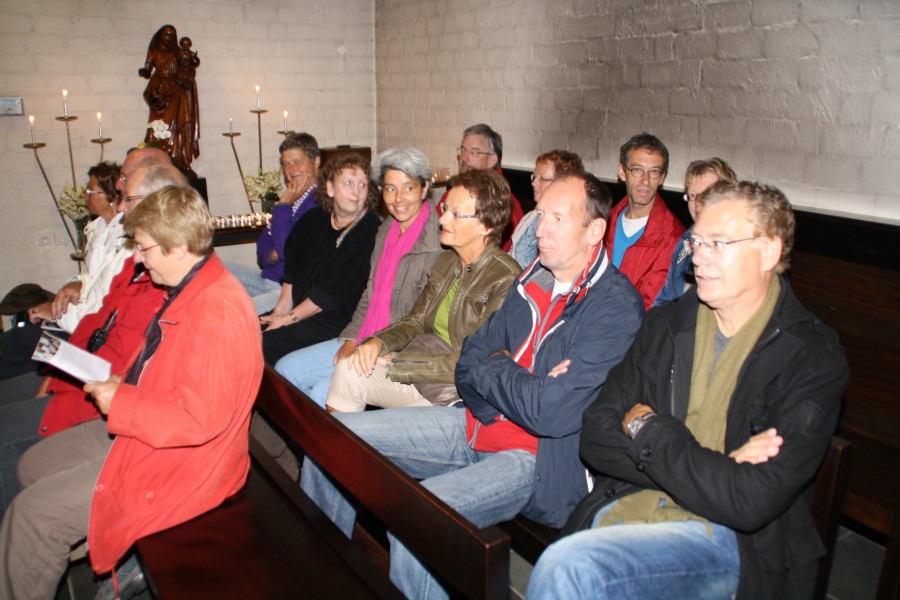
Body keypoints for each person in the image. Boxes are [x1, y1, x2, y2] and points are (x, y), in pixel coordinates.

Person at [301, 171, 643, 599]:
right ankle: (316, 578)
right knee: (330, 439)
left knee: (421, 516)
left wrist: (496, 369)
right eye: (541, 216)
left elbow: (550, 412)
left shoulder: (614, 306)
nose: (541, 229)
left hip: (538, 459)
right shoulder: (533, 279)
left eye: (557, 218)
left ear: (594, 230)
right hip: (474, 423)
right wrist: (510, 377)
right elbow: (470, 360)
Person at [527, 181, 849, 600]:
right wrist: (716, 468)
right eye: (696, 242)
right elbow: (595, 436)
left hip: (735, 542)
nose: (697, 256)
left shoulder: (810, 357)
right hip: (631, 503)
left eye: (718, 243)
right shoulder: (667, 325)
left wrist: (646, 428)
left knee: (571, 569)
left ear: (769, 252)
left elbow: (751, 500)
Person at [0, 185, 263, 599]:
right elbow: (167, 370)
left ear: (179, 247)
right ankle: (88, 551)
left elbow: (200, 420)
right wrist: (122, 383)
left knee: (32, 517)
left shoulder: (216, 312)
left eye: (143, 247)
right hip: (153, 425)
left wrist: (120, 400)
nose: (137, 258)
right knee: (34, 464)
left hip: (188, 463)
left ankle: (93, 549)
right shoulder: (189, 286)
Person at [0, 163, 183, 514]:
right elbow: (96, 312)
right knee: (17, 344)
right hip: (78, 360)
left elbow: (121, 363)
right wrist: (56, 371)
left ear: (157, 203)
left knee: (7, 429)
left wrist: (60, 368)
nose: (121, 204)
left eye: (127, 196)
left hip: (93, 386)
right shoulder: (128, 252)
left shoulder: (158, 273)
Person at [325, 168, 521, 412]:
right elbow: (416, 322)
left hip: (459, 391)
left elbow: (476, 360)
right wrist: (378, 342)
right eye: (445, 209)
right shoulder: (446, 262)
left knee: (381, 427)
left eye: (456, 214)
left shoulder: (505, 278)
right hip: (424, 374)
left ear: (486, 225)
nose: (442, 219)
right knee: (348, 369)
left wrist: (400, 363)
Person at [274, 148, 443, 407]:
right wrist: (352, 339)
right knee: (286, 369)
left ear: (425, 188)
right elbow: (369, 294)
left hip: (399, 349)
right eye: (390, 188)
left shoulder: (439, 243)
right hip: (364, 333)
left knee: (321, 392)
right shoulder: (385, 230)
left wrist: (378, 345)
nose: (398, 198)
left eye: (408, 188)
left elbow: (430, 321)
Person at [0, 148, 173, 382]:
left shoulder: (129, 248)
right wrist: (74, 284)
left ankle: (42, 383)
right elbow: (91, 280)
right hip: (84, 335)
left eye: (92, 191)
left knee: (21, 341)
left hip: (88, 344)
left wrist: (56, 314)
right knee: (21, 344)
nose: (86, 196)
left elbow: (102, 317)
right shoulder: (100, 233)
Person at [260, 155, 381, 365]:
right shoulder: (313, 219)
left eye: (362, 185)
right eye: (348, 183)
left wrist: (287, 319)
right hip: (299, 310)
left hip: (334, 322)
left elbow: (327, 295)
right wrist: (278, 312)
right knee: (245, 330)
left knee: (263, 344)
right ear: (330, 188)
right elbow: (292, 271)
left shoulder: (370, 230)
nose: (356, 191)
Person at [227, 133, 321, 314]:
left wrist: (283, 204)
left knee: (233, 314)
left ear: (316, 161)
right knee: (215, 269)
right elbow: (263, 243)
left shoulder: (319, 201)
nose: (291, 170)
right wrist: (272, 255)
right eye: (285, 164)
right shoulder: (294, 196)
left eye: (297, 162)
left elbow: (286, 250)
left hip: (287, 290)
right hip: (268, 277)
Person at [605, 133, 685, 309]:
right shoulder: (602, 222)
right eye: (637, 170)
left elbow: (649, 308)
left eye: (654, 172)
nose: (645, 180)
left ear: (662, 178)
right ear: (622, 172)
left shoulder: (673, 238)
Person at [653, 158, 737, 307]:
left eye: (706, 194)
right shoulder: (686, 240)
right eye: (692, 196)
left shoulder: (738, 246)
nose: (697, 202)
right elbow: (666, 296)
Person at [437, 123, 524, 250]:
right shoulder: (457, 190)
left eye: (473, 152)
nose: (463, 158)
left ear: (491, 160)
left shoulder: (501, 202)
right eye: (463, 150)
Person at [139, 25, 200, 176]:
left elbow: (188, 65)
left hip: (176, 89)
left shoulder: (178, 52)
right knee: (158, 126)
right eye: (166, 34)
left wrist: (189, 69)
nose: (168, 38)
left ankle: (177, 159)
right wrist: (144, 71)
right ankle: (158, 160)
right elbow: (148, 69)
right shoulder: (155, 51)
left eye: (171, 35)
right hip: (159, 90)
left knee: (177, 126)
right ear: (160, 35)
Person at [510, 149, 584, 267]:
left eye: (541, 179)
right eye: (534, 177)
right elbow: (511, 255)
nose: (533, 183)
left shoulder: (570, 227)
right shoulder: (530, 216)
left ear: (563, 183)